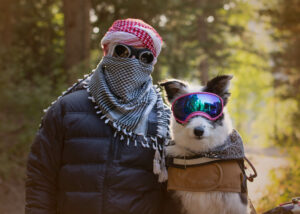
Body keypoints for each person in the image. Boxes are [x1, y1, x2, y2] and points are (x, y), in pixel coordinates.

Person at [25, 18, 172, 214]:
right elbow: (41, 179)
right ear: (106, 51)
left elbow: (174, 193)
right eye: (123, 51)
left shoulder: (162, 121)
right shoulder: (67, 109)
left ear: (152, 64)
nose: (132, 62)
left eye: (144, 57)